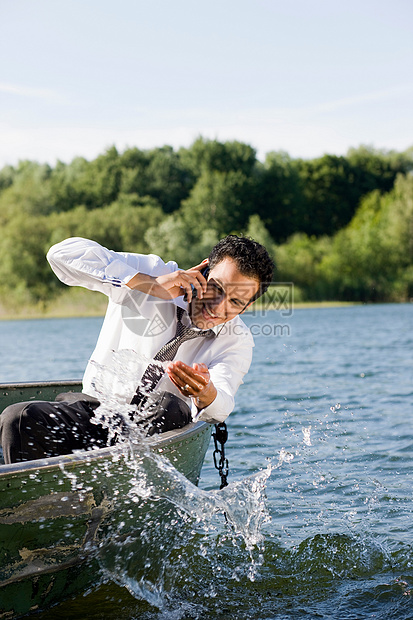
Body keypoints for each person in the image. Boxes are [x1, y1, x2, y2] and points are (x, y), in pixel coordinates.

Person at [0, 235, 274, 464]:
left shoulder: (236, 340)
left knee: (170, 406)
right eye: (216, 288)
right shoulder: (154, 271)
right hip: (96, 412)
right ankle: (37, 514)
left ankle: (119, 493)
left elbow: (222, 403)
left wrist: (206, 392)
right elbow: (60, 255)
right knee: (17, 418)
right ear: (203, 270)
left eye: (236, 301)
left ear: (246, 307)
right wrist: (147, 284)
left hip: (158, 431)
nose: (218, 307)